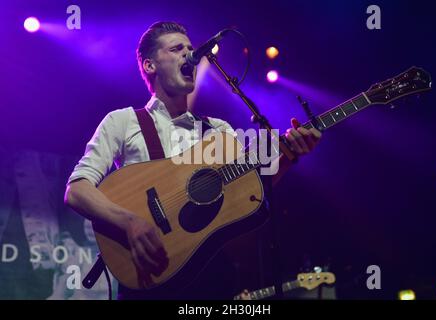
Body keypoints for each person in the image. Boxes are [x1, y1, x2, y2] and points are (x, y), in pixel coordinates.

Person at [64, 21, 322, 299]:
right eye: (177, 49)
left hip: (211, 277)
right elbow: (77, 190)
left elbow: (252, 188)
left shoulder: (218, 130)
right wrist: (129, 222)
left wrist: (288, 156)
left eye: (190, 49)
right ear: (150, 66)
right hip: (149, 273)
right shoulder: (123, 121)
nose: (190, 55)